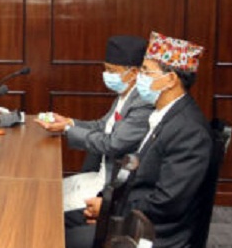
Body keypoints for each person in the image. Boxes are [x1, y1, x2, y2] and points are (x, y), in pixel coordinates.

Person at [65, 31, 213, 248]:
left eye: (145, 71)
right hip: (132, 212)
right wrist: (107, 205)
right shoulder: (164, 114)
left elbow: (168, 201)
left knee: (66, 240)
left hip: (154, 234)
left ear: (170, 79)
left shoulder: (189, 130)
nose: (139, 77)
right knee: (58, 220)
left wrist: (111, 210)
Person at [35, 35, 152, 215]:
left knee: (48, 209)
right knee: (45, 193)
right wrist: (69, 122)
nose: (107, 75)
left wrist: (67, 129)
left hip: (109, 186)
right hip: (98, 175)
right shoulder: (125, 94)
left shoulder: (143, 102)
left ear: (134, 72)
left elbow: (113, 143)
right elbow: (102, 125)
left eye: (112, 70)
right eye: (106, 69)